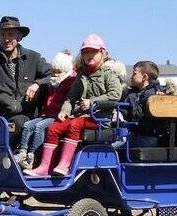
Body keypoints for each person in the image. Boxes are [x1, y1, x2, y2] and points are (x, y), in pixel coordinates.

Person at [25, 34, 122, 177]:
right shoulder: (81, 75)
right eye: (86, 52)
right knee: (54, 127)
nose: (89, 55)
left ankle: (64, 166)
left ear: (102, 53)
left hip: (100, 118)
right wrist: (64, 111)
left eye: (93, 52)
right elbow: (71, 97)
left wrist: (93, 101)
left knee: (74, 124)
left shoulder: (108, 74)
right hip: (81, 116)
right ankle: (44, 167)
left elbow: (115, 95)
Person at [0, 16, 52, 146]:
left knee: (16, 124)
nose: (6, 39)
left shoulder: (34, 58)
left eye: (10, 34)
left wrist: (37, 84)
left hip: (25, 116)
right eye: (2, 35)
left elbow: (50, 75)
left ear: (19, 37)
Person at [13, 53, 77, 169]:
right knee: (27, 125)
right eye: (54, 71)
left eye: (59, 72)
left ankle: (34, 155)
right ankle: (22, 152)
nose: (55, 74)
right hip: (47, 113)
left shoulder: (70, 83)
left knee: (40, 127)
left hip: (57, 115)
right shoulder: (51, 83)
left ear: (66, 71)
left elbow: (69, 101)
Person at [120, 60, 164, 147]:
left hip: (147, 136)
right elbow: (124, 111)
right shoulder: (132, 94)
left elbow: (140, 117)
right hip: (134, 133)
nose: (131, 77)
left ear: (144, 77)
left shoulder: (153, 95)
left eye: (134, 74)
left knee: (115, 148)